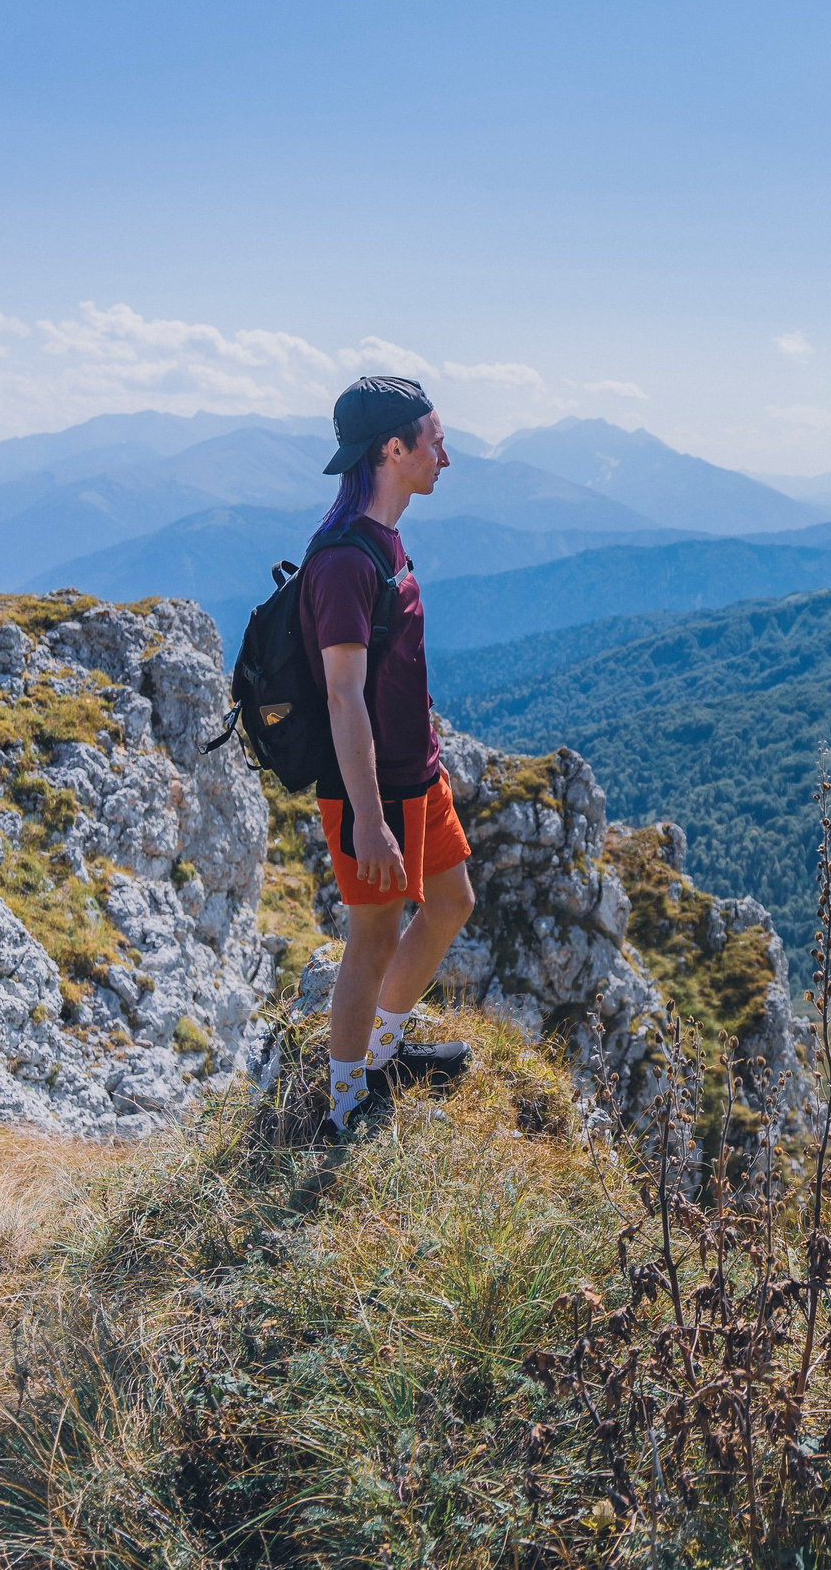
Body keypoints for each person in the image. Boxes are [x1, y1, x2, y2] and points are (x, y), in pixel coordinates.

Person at [304, 375, 476, 1138]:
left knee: (453, 902)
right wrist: (368, 821)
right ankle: (344, 1102)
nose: (446, 454)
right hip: (371, 795)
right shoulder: (343, 562)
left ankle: (381, 1053)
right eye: (435, 440)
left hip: (419, 775)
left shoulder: (386, 540)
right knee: (373, 936)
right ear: (393, 448)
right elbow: (343, 697)